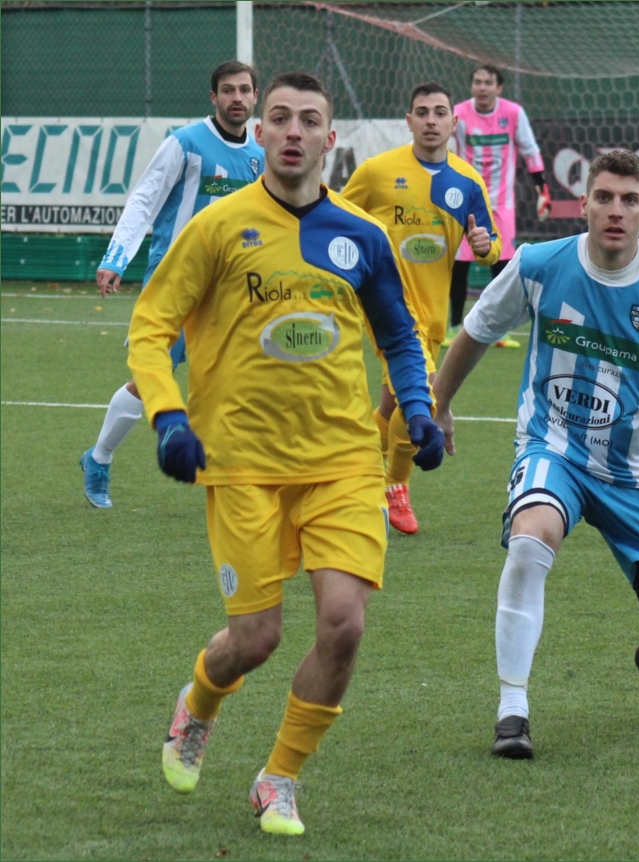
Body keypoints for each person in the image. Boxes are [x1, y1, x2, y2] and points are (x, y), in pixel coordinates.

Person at [126, 72, 444, 835]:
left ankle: (279, 779)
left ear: (331, 139)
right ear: (261, 134)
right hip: (242, 464)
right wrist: (169, 418)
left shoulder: (362, 236)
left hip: (343, 460)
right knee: (255, 640)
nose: (293, 131)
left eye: (308, 120)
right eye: (279, 118)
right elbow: (150, 327)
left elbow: (400, 335)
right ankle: (199, 704)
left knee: (345, 623)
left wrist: (419, 407)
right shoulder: (217, 227)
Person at [434, 150, 639, 759]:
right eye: (604, 197)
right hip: (553, 449)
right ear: (583, 203)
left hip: (632, 474)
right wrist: (439, 404)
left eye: (629, 200)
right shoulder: (539, 265)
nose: (616, 210)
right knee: (530, 538)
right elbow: (477, 329)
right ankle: (513, 712)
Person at [80, 60, 264, 508]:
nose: (237, 98)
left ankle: (238, 474)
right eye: (228, 90)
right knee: (150, 378)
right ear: (213, 97)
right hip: (176, 281)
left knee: (242, 377)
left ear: (255, 97)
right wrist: (116, 257)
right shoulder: (186, 143)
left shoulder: (260, 154)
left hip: (231, 286)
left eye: (244, 90)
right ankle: (99, 458)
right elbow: (145, 198)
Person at [341, 82, 500, 534]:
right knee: (424, 399)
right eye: (422, 112)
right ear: (409, 121)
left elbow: (492, 247)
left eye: (440, 112)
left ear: (454, 122)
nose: (431, 120)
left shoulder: (468, 181)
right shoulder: (377, 172)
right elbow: (335, 215)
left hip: (432, 312)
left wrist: (484, 246)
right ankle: (395, 487)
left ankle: (348, 468)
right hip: (386, 306)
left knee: (393, 404)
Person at [445, 63, 552, 349]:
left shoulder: (513, 113)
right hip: (467, 201)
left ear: (499, 87)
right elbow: (442, 144)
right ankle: (453, 326)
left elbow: (530, 150)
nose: (481, 88)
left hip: (502, 202)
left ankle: (498, 331)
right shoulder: (459, 114)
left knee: (502, 266)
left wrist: (543, 190)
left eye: (488, 82)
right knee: (459, 264)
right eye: (477, 82)